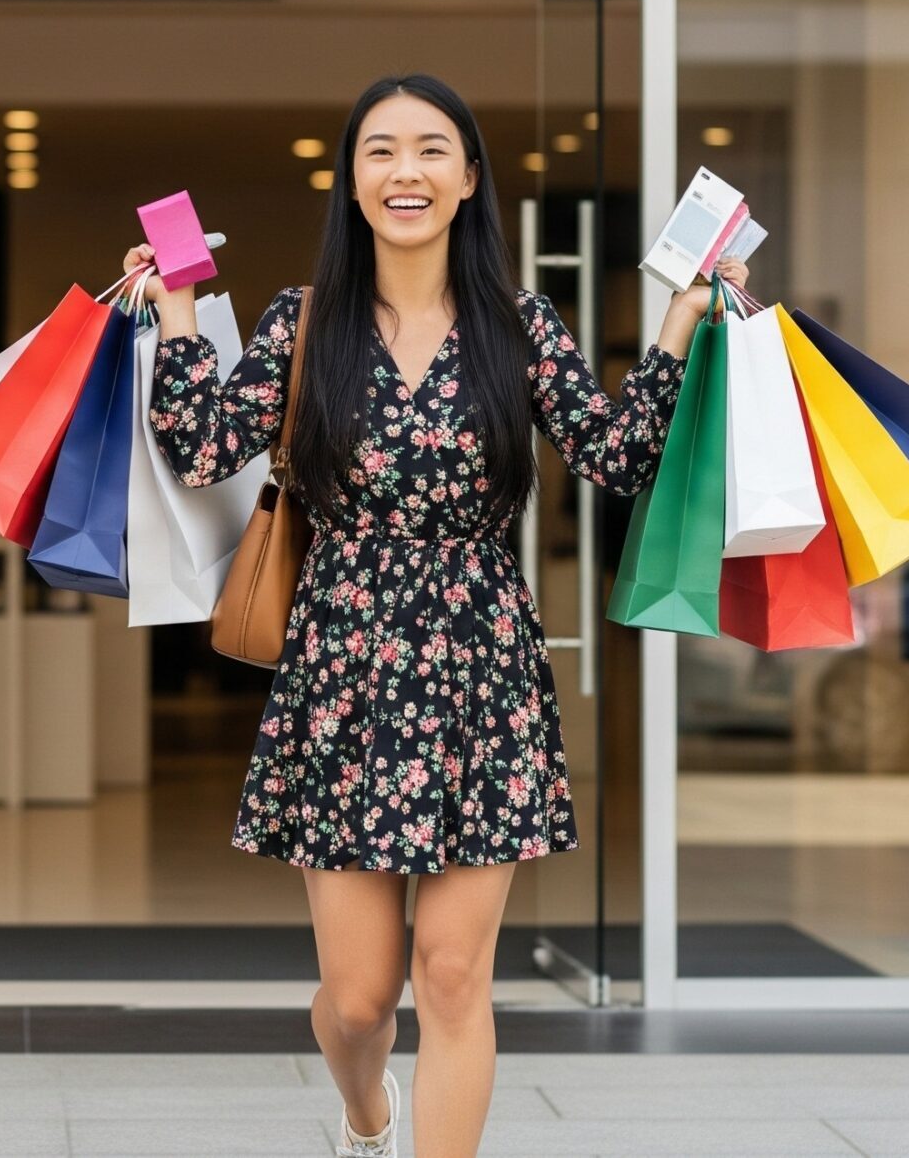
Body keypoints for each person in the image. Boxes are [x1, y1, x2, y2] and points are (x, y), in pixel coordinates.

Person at [131, 73, 743, 1158]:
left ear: (467, 179)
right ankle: (365, 1113)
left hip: (483, 669)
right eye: (380, 151)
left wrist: (683, 314)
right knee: (359, 998)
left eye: (429, 150)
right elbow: (201, 449)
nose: (404, 171)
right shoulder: (303, 321)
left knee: (452, 974)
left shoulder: (519, 325)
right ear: (350, 181)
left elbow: (617, 456)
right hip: (343, 672)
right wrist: (176, 303)